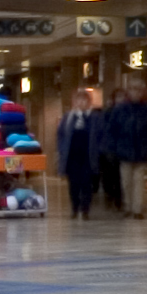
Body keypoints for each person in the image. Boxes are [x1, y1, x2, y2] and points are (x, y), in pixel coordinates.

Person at [104, 72, 147, 219]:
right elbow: (112, 130)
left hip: (142, 151)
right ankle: (128, 205)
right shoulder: (120, 110)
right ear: (128, 91)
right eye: (133, 89)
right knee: (126, 181)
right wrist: (111, 149)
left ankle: (137, 209)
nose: (136, 92)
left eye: (138, 89)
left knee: (139, 181)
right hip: (124, 150)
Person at [62, 86, 103, 220]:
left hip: (87, 156)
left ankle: (85, 209)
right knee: (73, 184)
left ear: (89, 102)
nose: (81, 103)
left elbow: (100, 136)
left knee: (86, 184)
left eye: (84, 100)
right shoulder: (69, 117)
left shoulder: (95, 117)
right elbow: (61, 135)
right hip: (72, 156)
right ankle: (75, 207)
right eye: (78, 100)